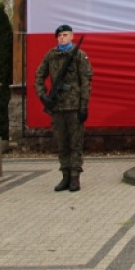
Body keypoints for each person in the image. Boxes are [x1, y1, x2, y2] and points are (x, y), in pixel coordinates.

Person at [35, 24, 93, 192]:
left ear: (72, 36)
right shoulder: (51, 56)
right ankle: (65, 176)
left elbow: (85, 83)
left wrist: (84, 106)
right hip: (57, 107)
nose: (62, 38)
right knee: (62, 144)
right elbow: (39, 75)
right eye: (59, 35)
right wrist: (42, 96)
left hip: (74, 107)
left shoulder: (80, 56)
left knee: (75, 144)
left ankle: (75, 177)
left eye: (65, 35)